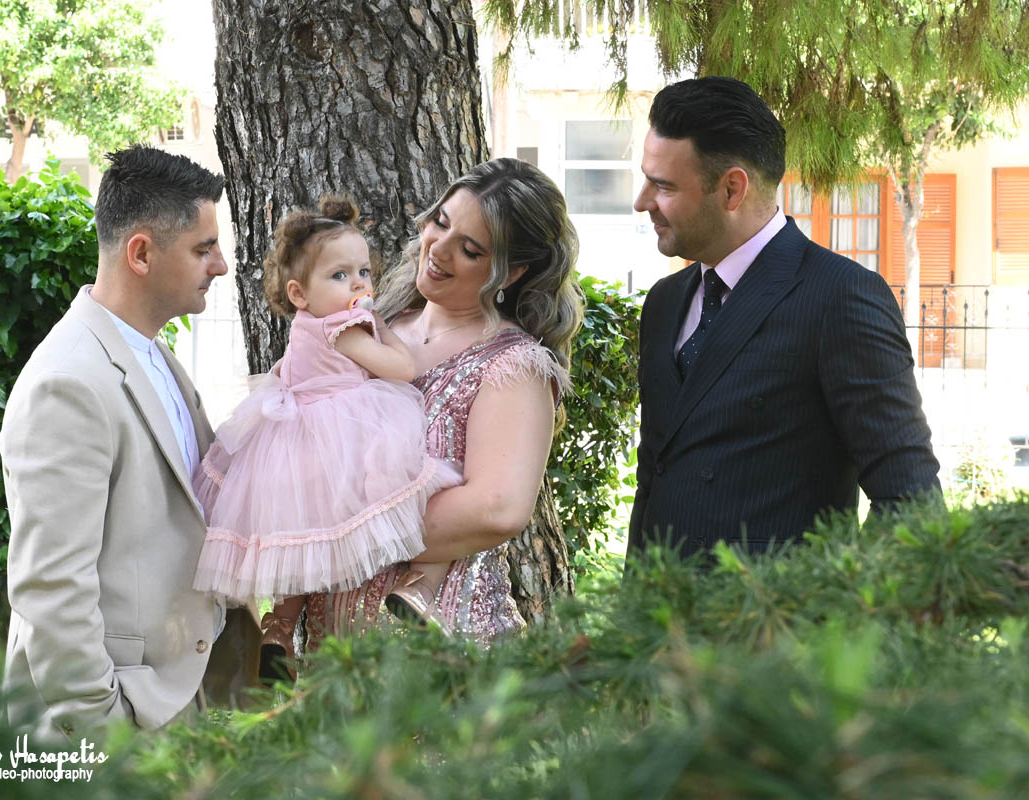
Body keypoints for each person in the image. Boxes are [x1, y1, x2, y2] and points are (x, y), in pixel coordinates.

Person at [627, 76, 941, 563]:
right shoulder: (664, 302)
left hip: (780, 613)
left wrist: (836, 603)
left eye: (663, 185)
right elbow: (655, 481)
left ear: (732, 189)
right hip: (657, 609)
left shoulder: (840, 298)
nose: (642, 201)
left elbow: (910, 504)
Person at [1, 145, 232, 739]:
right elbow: (52, 589)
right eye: (203, 249)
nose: (222, 265)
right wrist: (107, 730)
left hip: (170, 705)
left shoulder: (151, 353)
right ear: (141, 254)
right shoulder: (67, 384)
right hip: (109, 731)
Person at [304, 157, 584, 645]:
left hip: (441, 655)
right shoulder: (372, 326)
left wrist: (335, 530)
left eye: (470, 249)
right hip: (331, 650)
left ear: (512, 272)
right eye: (441, 222)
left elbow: (496, 508)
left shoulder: (512, 364)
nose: (439, 249)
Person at [191, 196, 462, 683]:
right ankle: (418, 587)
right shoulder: (345, 329)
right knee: (426, 489)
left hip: (293, 447)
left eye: (363, 272)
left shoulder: (306, 327)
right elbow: (402, 369)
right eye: (340, 275)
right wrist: (383, 328)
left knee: (302, 541)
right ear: (299, 293)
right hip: (344, 438)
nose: (359, 284)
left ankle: (278, 629)